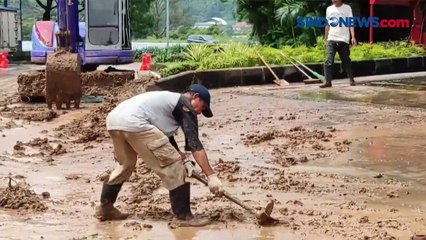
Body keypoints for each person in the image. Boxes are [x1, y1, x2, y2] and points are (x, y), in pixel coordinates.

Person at [95, 84, 224, 227]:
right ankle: (183, 217)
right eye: (203, 107)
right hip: (137, 123)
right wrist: (211, 176)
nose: (200, 112)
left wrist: (185, 159)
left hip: (114, 120)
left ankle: (105, 208)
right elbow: (194, 144)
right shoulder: (184, 103)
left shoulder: (166, 101)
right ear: (195, 97)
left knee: (125, 165)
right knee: (175, 167)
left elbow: (165, 140)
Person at [321, 0, 357, 88]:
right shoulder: (329, 9)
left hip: (343, 39)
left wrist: (353, 37)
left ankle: (351, 79)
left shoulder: (347, 8)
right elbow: (327, 24)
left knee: (346, 60)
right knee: (328, 60)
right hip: (331, 38)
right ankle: (327, 81)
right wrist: (326, 39)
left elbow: (350, 23)